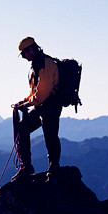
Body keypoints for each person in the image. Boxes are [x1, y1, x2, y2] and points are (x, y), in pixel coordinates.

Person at [12, 37, 63, 181]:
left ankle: (53, 168)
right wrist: (25, 101)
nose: (23, 57)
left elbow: (43, 92)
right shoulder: (37, 64)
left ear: (31, 50)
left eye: (23, 54)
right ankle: (27, 166)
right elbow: (36, 91)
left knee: (50, 135)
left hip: (51, 105)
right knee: (24, 128)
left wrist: (27, 104)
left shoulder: (45, 63)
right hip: (43, 105)